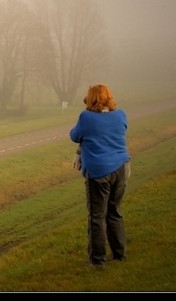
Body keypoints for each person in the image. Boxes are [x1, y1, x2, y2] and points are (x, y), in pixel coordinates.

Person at [69, 83, 131, 267]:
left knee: (97, 216)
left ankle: (98, 260)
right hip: (122, 168)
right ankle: (119, 254)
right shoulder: (120, 115)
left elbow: (74, 136)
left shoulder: (86, 117)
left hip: (99, 171)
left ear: (91, 99)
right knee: (114, 212)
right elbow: (120, 129)